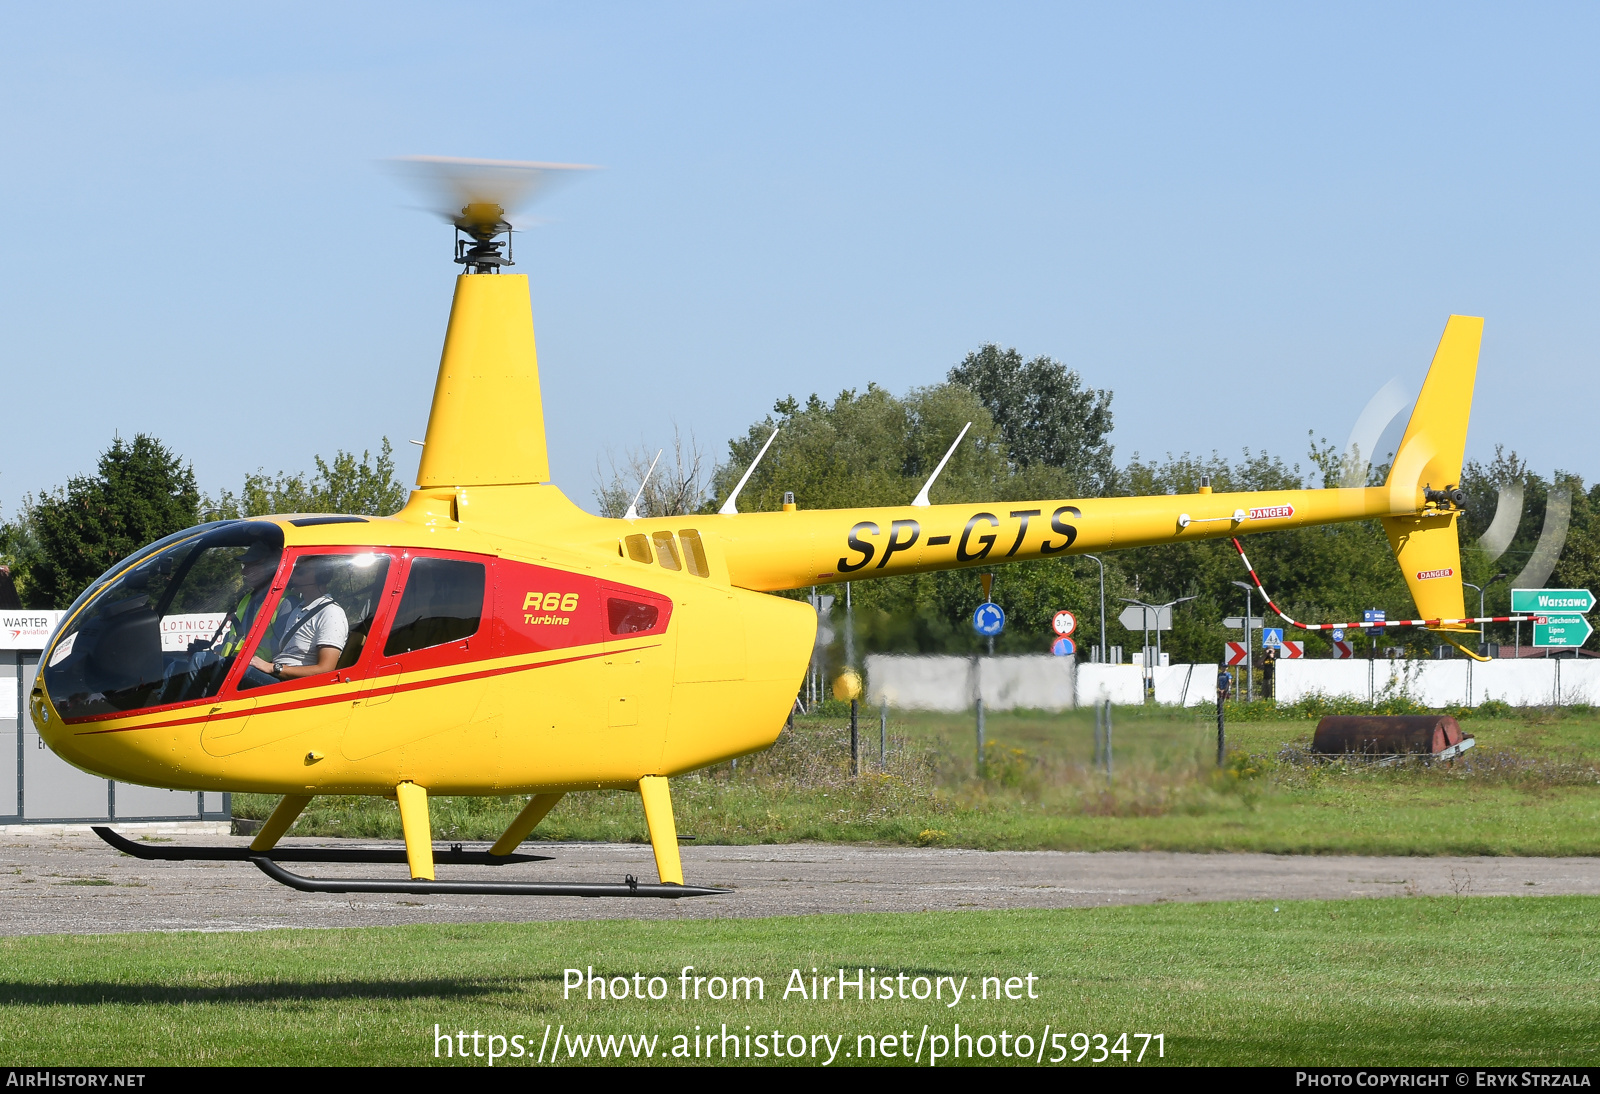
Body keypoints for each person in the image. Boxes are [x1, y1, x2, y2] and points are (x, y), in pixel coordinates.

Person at [250, 557, 348, 682]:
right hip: (278, 675)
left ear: (321, 577)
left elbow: (326, 669)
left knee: (241, 672)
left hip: (293, 684)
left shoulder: (331, 613)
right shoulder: (299, 608)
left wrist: (273, 668)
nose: (293, 577)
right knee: (228, 664)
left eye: (300, 572)